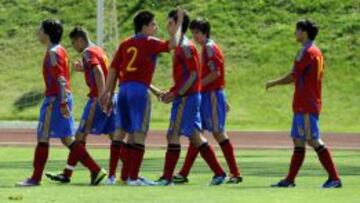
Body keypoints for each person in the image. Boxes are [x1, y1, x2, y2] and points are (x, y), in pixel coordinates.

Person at [16, 19, 106, 187]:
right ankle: (95, 170)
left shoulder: (53, 52)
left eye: (40, 29)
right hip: (62, 97)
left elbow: (61, 79)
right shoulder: (60, 50)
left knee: (43, 137)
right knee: (67, 138)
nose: (38, 32)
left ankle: (35, 178)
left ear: (47, 33)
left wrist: (63, 102)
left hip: (55, 99)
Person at [99, 10, 183, 186]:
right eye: (153, 24)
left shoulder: (125, 44)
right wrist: (180, 23)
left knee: (120, 132)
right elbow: (173, 44)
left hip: (123, 90)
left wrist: (107, 92)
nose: (156, 27)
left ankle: (113, 176)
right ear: (144, 27)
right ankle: (134, 178)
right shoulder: (150, 42)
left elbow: (113, 69)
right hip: (139, 92)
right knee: (139, 133)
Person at [153, 10, 226, 186]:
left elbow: (194, 75)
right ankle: (219, 173)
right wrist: (172, 90)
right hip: (187, 95)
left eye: (170, 23)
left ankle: (167, 177)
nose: (167, 26)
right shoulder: (180, 46)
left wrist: (177, 94)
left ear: (178, 25)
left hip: (187, 98)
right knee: (195, 136)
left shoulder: (185, 46)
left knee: (172, 134)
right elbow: (185, 76)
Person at [266, 19, 342, 188]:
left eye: (297, 30)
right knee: (298, 139)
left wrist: (273, 83)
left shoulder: (306, 52)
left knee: (312, 140)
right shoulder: (316, 51)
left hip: (306, 103)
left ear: (304, 32)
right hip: (305, 102)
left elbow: (293, 76)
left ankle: (334, 178)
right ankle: (290, 179)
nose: (295, 33)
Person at [45, 26, 125, 185]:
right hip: (112, 96)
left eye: (74, 43)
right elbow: (101, 69)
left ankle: (77, 173)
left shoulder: (88, 52)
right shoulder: (98, 50)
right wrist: (83, 69)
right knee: (114, 136)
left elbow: (98, 72)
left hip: (98, 99)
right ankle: (130, 170)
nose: (74, 47)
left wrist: (102, 94)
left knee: (80, 135)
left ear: (80, 40)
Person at [173, 17, 242, 184]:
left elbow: (215, 73)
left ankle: (235, 173)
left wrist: (197, 85)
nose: (194, 36)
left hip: (211, 95)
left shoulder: (210, 49)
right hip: (208, 95)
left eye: (197, 32)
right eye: (193, 33)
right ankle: (184, 173)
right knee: (196, 133)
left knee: (218, 133)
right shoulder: (205, 48)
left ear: (205, 33)